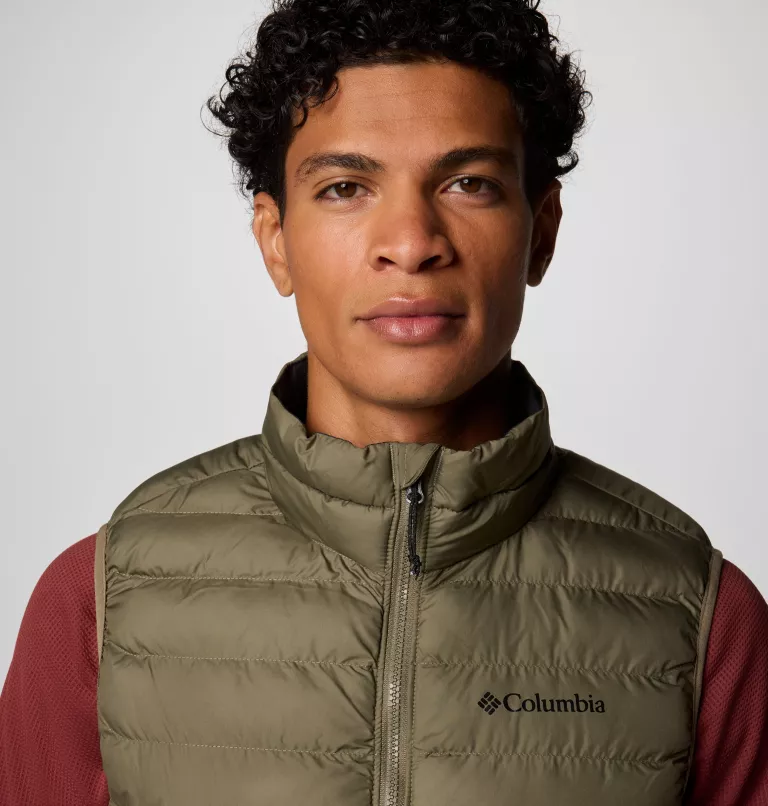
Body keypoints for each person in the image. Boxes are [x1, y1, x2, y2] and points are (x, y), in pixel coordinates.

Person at [1, 0, 767, 803]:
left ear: (541, 231)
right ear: (275, 240)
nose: (410, 242)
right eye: (345, 187)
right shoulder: (100, 602)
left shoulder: (702, 618)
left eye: (469, 183)